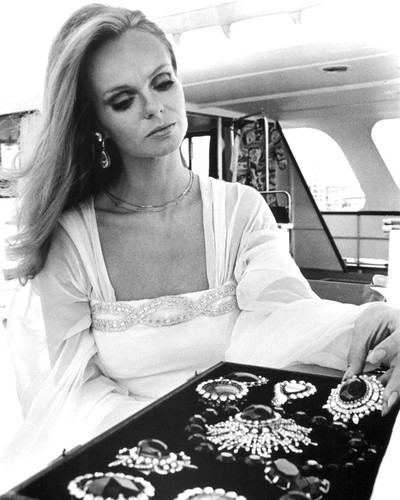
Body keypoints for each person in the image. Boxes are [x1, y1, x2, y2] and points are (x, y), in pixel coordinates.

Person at [1, 2, 400, 491]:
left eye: (162, 82)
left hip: (240, 443)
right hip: (129, 461)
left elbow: (285, 316)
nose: (155, 107)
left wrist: (372, 324)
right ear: (95, 120)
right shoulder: (71, 239)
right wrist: (178, 445)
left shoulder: (240, 210)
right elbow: (73, 393)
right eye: (123, 100)